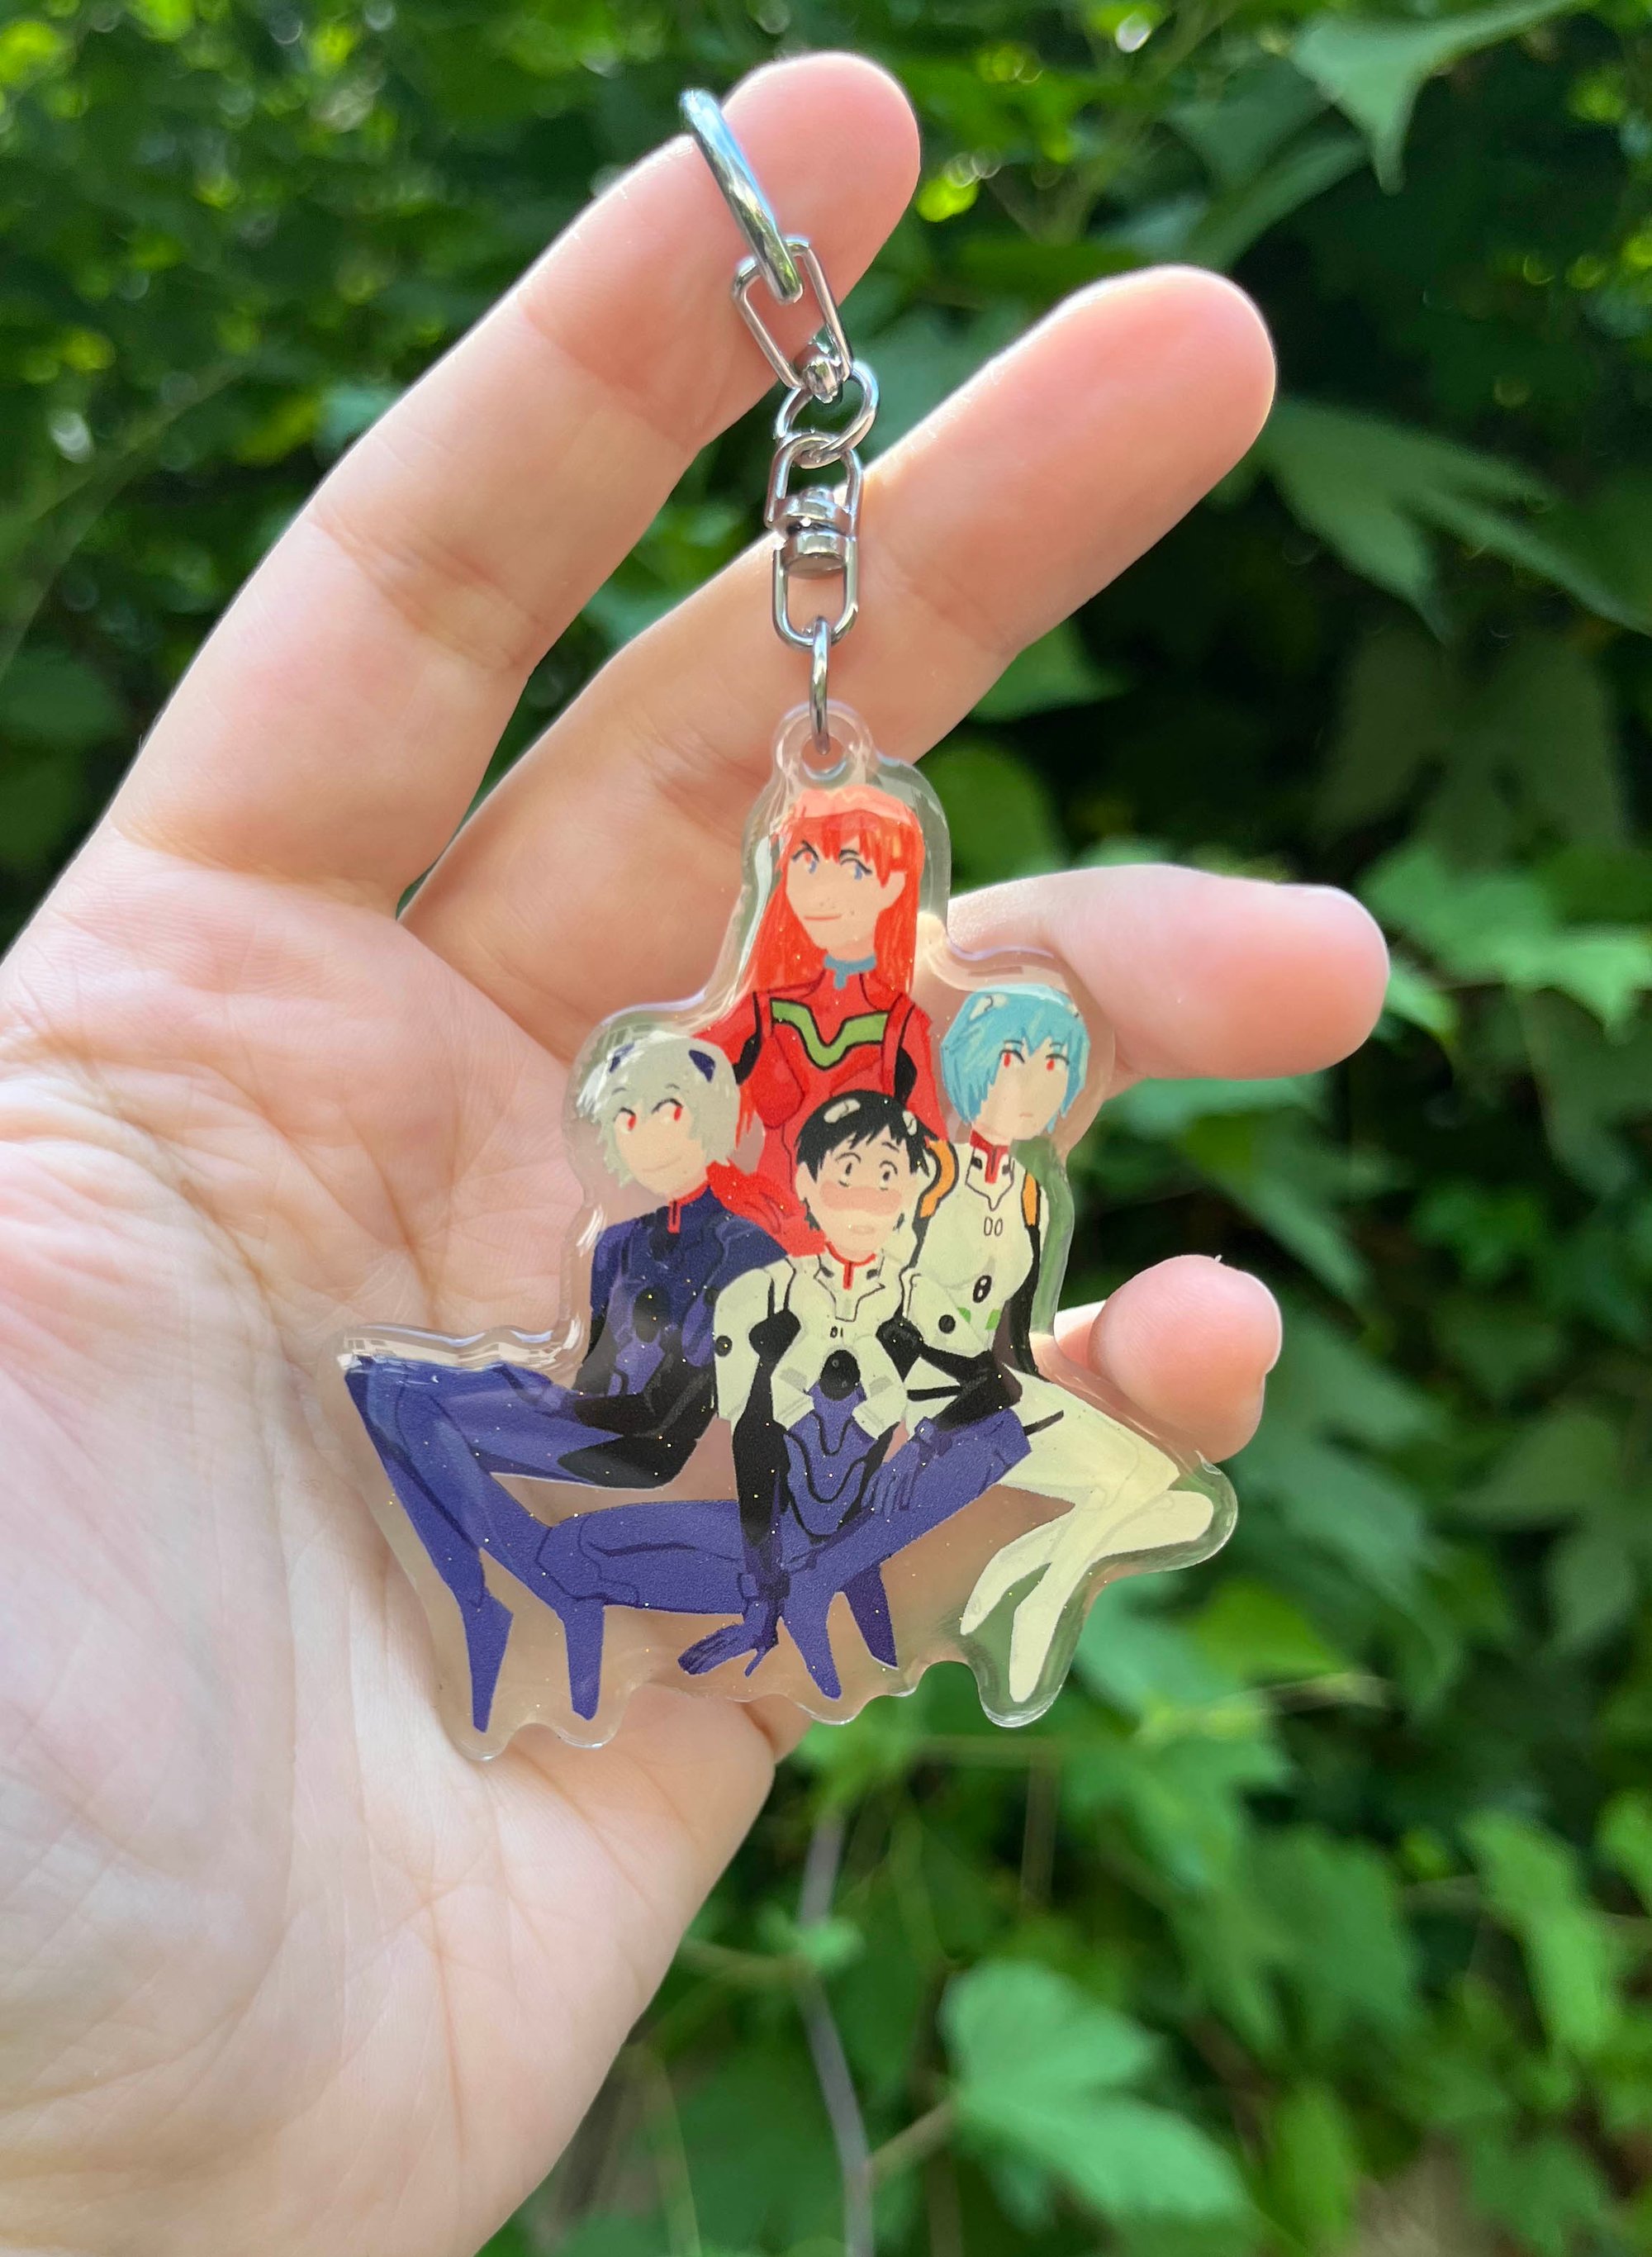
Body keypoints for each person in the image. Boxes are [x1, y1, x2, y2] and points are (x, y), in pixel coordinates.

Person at [0, 55, 1385, 2257]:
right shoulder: (713, 1067)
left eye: (858, 874)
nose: (833, 894)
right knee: (607, 1433)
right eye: (815, 873)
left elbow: (926, 1215)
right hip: (703, 1302)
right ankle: (550, 1568)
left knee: (890, 1474)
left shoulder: (925, 1091)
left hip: (824, 1324)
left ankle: (648, 1570)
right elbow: (688, 1152)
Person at [522, 1090, 1028, 1717]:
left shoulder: (921, 1301)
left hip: (865, 1523)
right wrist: (763, 1589)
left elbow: (996, 1399)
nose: (865, 1199)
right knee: (571, 1552)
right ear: (807, 1184)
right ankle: (801, 1582)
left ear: (913, 1193)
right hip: (771, 1532)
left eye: (887, 1178)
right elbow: (753, 1440)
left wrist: (924, 1441)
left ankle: (829, 1572)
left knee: (1001, 1436)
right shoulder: (760, 1295)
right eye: (847, 1174)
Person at [344, 1031, 779, 1729]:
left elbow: (690, 1407)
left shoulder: (748, 1246)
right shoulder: (616, 1244)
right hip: (590, 1415)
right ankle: (499, 1595)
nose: (646, 1134)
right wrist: (521, 1387)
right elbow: (591, 1375)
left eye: (667, 1109)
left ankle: (500, 1596)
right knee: (374, 1382)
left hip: (642, 1444)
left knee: (410, 1405)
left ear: (712, 1117)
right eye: (626, 1118)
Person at [911, 984, 1218, 1703]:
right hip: (929, 1390)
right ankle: (1037, 1600)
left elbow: (1017, 1332)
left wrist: (1032, 1391)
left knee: (1190, 1508)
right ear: (972, 1064)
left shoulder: (1035, 1190)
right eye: (1014, 1057)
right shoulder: (926, 1174)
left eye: (1055, 1062)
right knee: (1132, 1491)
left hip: (1006, 1386)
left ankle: (1023, 1570)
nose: (1035, 1078)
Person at [700, 781, 944, 1250]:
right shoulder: (763, 1012)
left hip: (855, 1249)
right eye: (805, 861)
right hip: (758, 1240)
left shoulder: (900, 1026)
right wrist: (727, 1186)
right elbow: (676, 1088)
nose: (820, 891)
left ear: (894, 884)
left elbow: (933, 1157)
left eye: (852, 867)